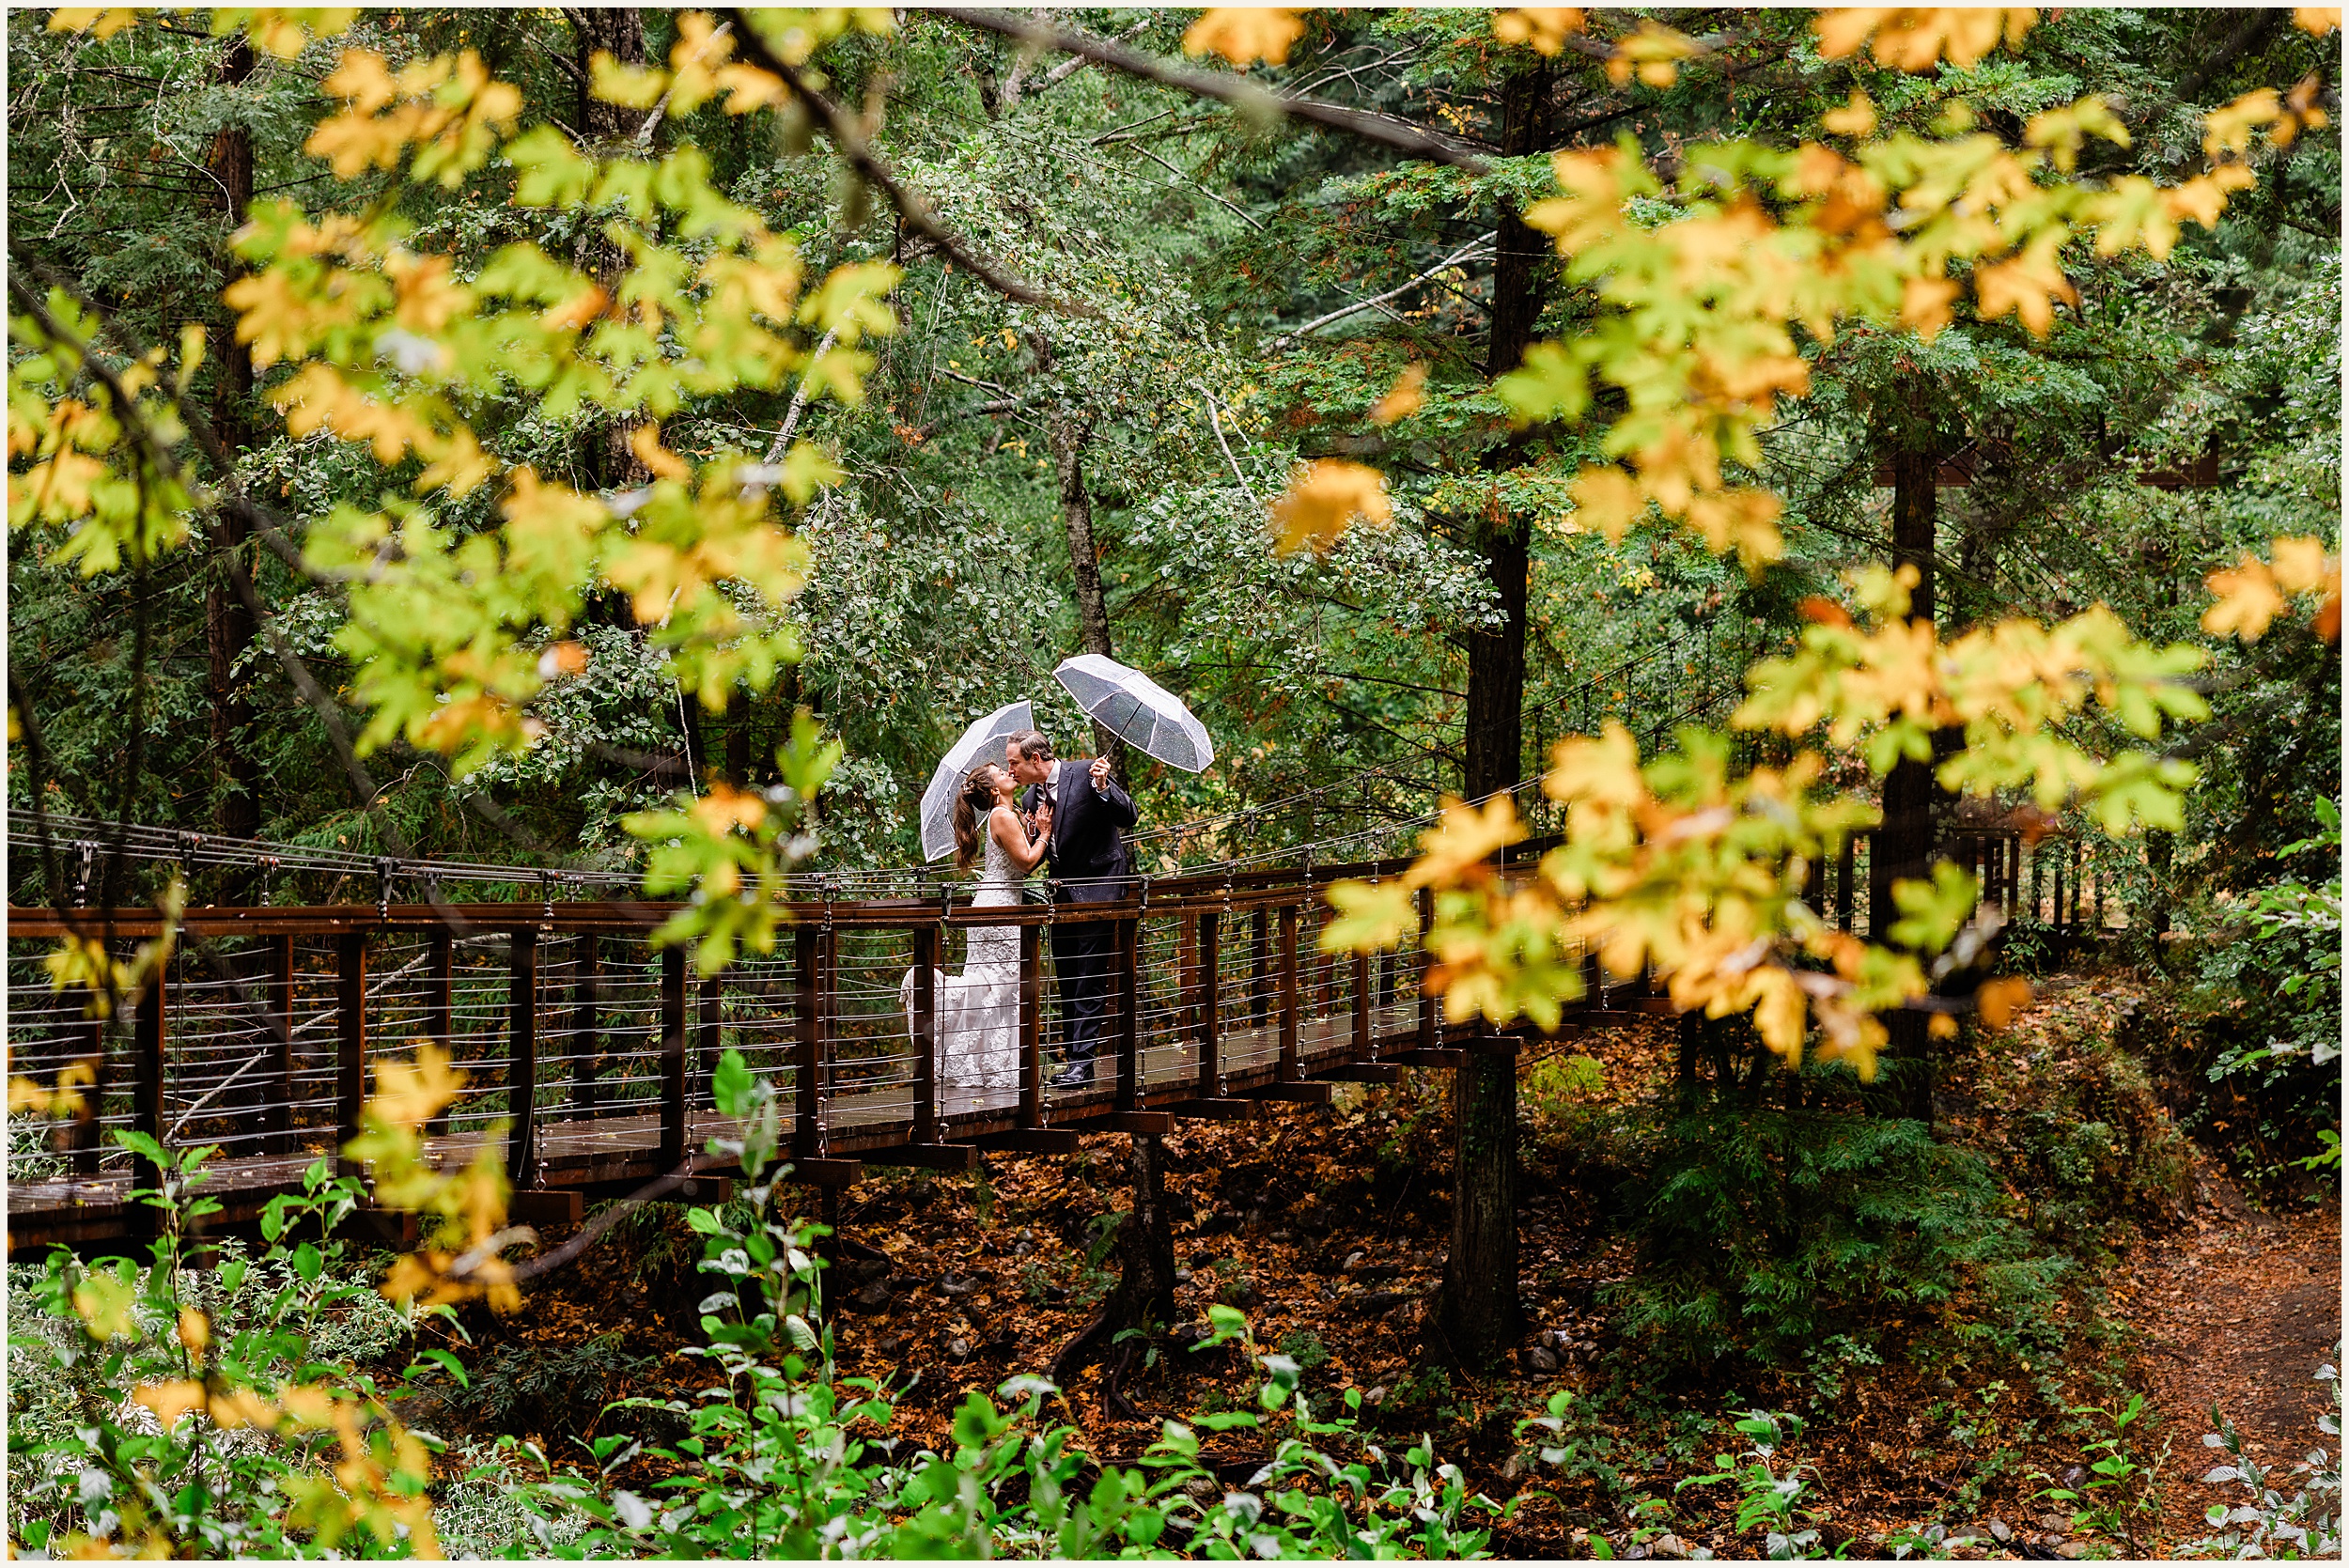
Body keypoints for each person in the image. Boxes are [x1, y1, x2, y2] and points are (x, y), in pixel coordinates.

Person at [900, 762, 1050, 1106]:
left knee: (995, 988)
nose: (1010, 773)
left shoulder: (1005, 815)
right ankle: (932, 997)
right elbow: (1027, 863)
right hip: (999, 911)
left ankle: (984, 1067)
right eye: (1002, 772)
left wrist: (1029, 827)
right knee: (998, 988)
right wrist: (1043, 834)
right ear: (995, 790)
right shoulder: (1001, 816)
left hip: (997, 906)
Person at [1003, 728, 1137, 1088]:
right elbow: (1039, 850)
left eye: (1013, 762)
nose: (1010, 769)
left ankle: (1081, 1063)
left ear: (1035, 759)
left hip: (1099, 888)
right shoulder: (1032, 797)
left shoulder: (1088, 772)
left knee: (1089, 976)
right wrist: (1034, 832)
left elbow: (1129, 816)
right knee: (1067, 976)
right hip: (1061, 894)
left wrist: (1103, 788)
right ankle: (1077, 1062)